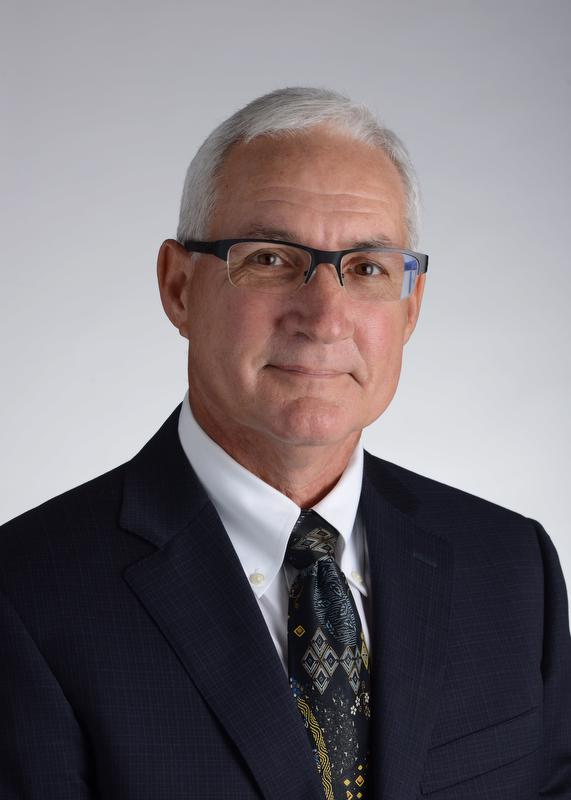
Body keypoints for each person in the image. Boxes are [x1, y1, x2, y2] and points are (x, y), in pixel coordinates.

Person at [1, 86, 569, 800]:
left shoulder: (512, 568)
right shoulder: (25, 595)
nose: (324, 317)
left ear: (410, 306)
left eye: (367, 269)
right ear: (178, 287)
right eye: (270, 259)